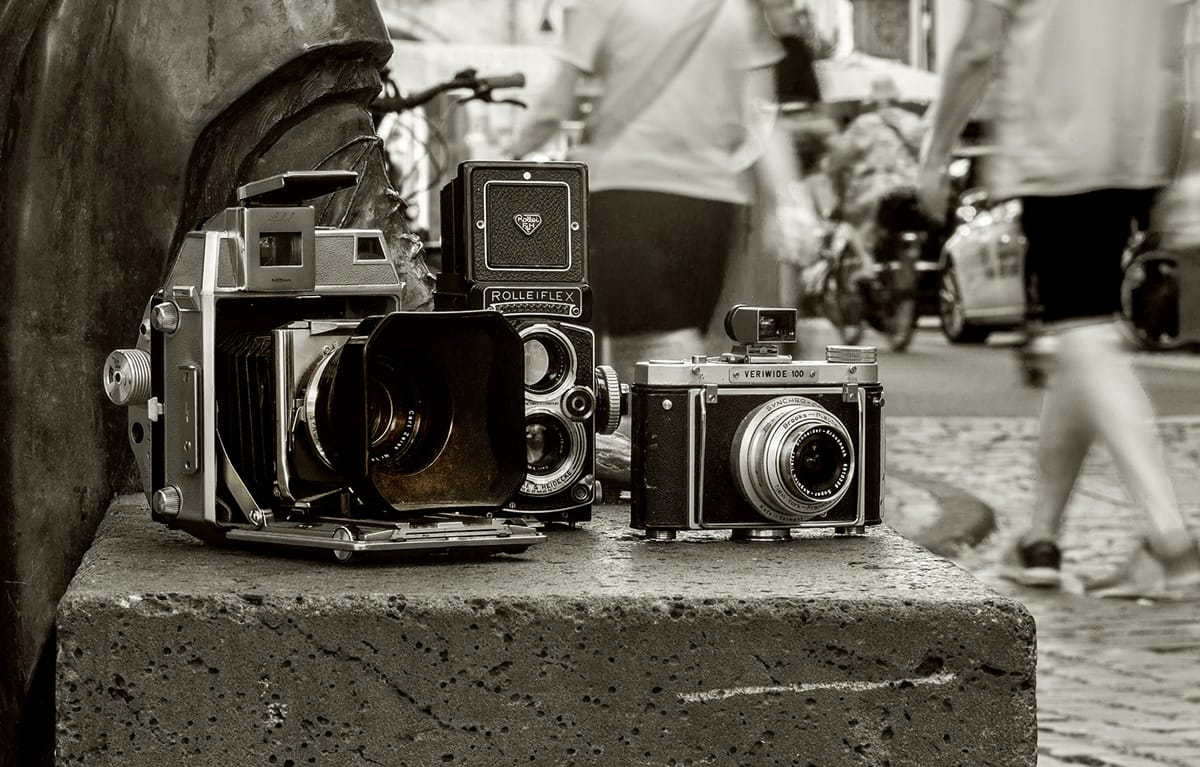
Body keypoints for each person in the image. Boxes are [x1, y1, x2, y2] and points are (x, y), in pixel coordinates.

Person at [917, 0, 1200, 598]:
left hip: (1059, 150)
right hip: (1135, 154)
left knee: (1084, 336)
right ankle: (1040, 541)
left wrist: (937, 150)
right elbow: (1175, 60)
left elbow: (974, 51)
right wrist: (1178, 170)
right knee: (1082, 342)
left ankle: (1171, 544)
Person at [505, 0, 810, 388]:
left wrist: (509, 156)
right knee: (683, 338)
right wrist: (789, 200)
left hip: (627, 190)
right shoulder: (735, 8)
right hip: (713, 201)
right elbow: (763, 117)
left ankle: (670, 440)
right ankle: (680, 433)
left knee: (649, 345)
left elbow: (555, 103)